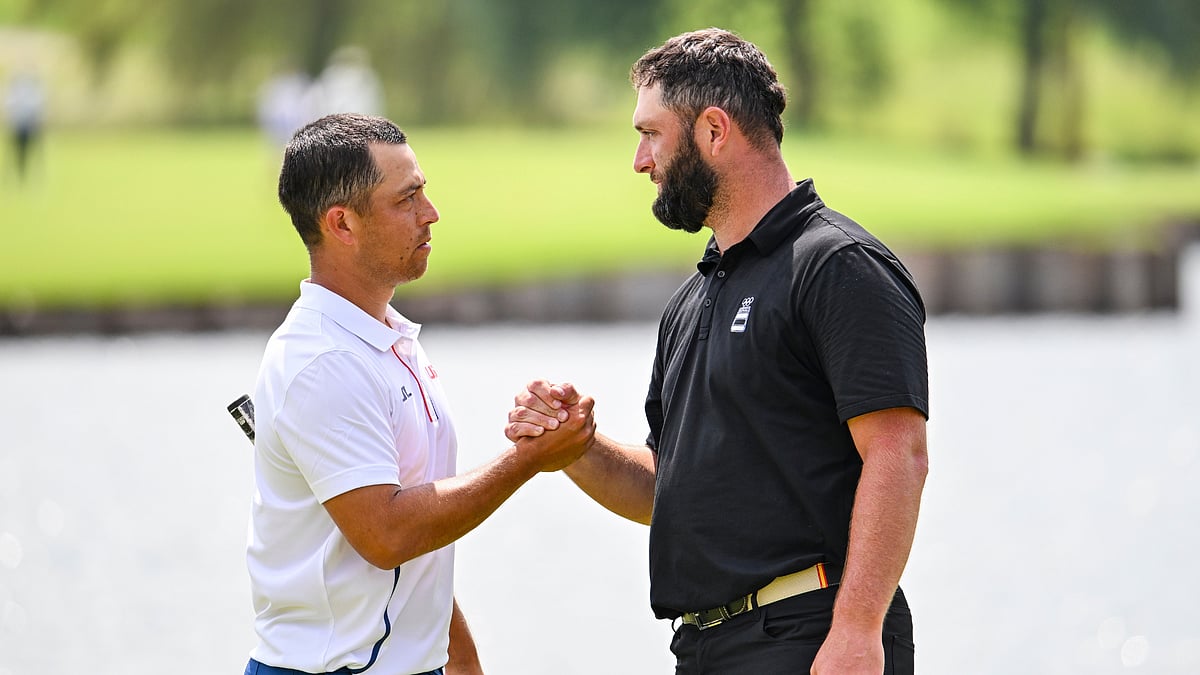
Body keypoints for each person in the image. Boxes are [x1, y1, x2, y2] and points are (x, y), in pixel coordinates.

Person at [508, 28, 929, 674]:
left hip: (813, 636)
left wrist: (857, 627)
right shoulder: (691, 302)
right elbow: (666, 489)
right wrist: (577, 448)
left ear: (713, 130)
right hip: (706, 649)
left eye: (651, 133)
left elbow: (898, 453)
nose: (639, 160)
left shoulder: (838, 266)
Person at [245, 112, 595, 675]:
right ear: (342, 224)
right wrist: (527, 461)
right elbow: (388, 535)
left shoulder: (388, 338)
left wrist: (462, 663)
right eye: (406, 200)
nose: (430, 214)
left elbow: (414, 550)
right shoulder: (322, 363)